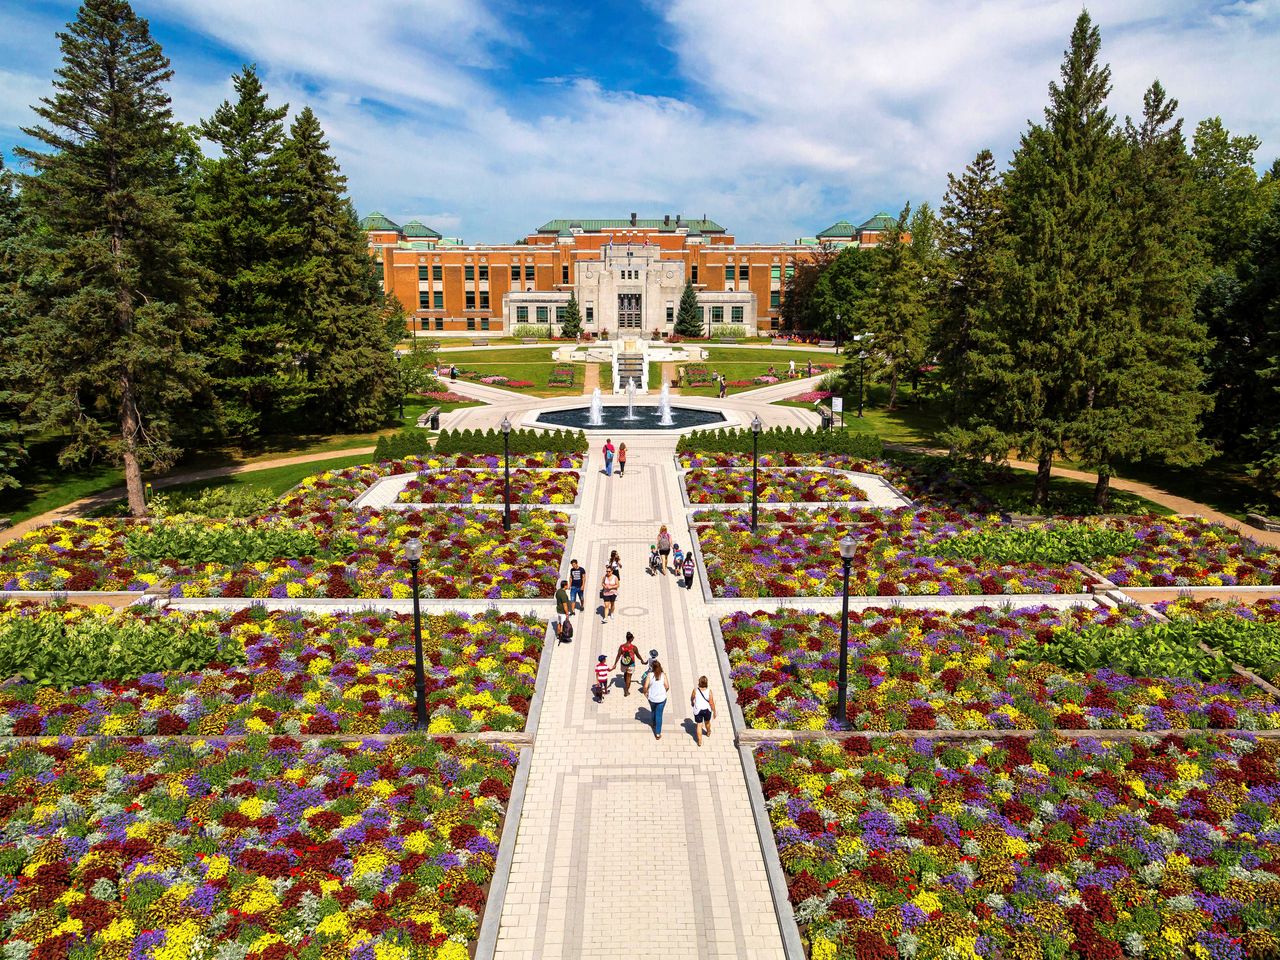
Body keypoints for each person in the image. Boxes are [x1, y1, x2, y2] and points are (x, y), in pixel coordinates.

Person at [643, 659, 670, 739]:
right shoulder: (663, 675)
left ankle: (653, 723)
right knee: (659, 715)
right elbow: (667, 686)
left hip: (651, 698)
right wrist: (663, 692)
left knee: (653, 710)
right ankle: (658, 733)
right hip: (661, 699)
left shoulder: (650, 675)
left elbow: (645, 687)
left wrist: (646, 694)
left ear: (652, 667)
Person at [611, 631, 643, 696]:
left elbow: (618, 656)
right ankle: (626, 691)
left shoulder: (621, 646)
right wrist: (642, 660)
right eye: (633, 638)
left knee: (625, 673)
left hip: (623, 663)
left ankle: (626, 683)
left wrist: (615, 664)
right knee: (629, 677)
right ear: (630, 639)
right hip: (631, 664)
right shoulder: (634, 647)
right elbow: (638, 655)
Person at [690, 676, 717, 745]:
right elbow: (711, 703)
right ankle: (708, 732)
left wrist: (692, 702)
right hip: (707, 710)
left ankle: (699, 741)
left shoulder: (695, 690)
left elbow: (692, 697)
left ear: (699, 682)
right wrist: (714, 711)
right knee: (707, 722)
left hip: (698, 710)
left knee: (699, 725)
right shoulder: (709, 691)